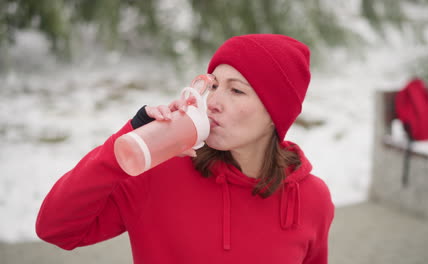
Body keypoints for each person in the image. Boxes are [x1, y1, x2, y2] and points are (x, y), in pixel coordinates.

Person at [36, 34, 335, 263]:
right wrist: (128, 142)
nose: (214, 102)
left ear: (276, 113)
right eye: (214, 85)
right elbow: (56, 229)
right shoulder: (158, 172)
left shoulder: (312, 199)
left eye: (236, 90)